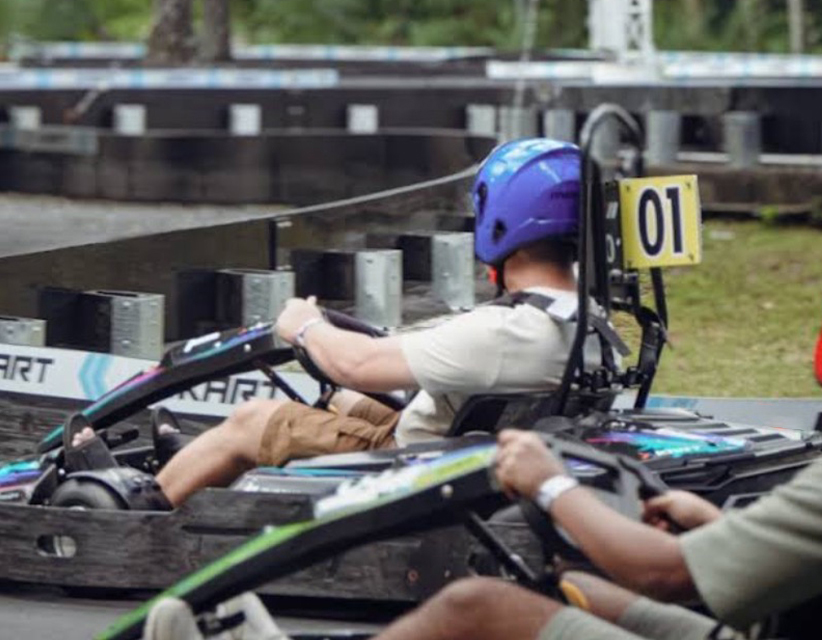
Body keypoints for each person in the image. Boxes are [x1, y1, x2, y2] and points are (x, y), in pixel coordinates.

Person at [143, 214, 822, 640]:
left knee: (477, 607)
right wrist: (716, 525)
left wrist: (551, 483)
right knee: (564, 584)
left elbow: (663, 576)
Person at [70, 138, 596, 508]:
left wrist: (303, 324)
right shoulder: (577, 315)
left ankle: (138, 507)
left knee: (256, 418)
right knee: (340, 401)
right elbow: (409, 355)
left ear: (502, 221)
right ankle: (199, 465)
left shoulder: (509, 333)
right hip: (463, 435)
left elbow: (360, 363)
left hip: (420, 465)